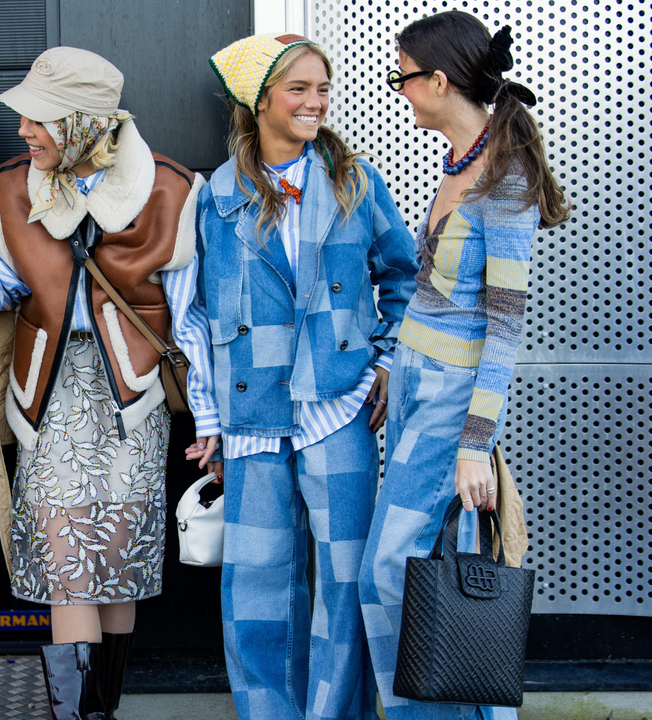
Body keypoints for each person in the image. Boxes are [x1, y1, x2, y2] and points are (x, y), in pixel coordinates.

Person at [0, 46, 205, 720]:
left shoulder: (172, 189)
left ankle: (102, 709)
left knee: (118, 565)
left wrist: (208, 419)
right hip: (51, 401)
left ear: (84, 122)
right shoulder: (5, 186)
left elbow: (192, 319)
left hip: (135, 402)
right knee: (67, 566)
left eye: (39, 120)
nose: (23, 132)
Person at [187, 33, 419, 720]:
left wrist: (382, 361)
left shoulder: (355, 180)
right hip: (252, 413)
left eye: (323, 87)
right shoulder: (216, 197)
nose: (316, 101)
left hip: (338, 406)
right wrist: (208, 420)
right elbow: (196, 319)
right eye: (299, 89)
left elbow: (406, 278)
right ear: (257, 101)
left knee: (346, 581)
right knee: (257, 584)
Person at [358, 12, 570, 719]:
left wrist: (475, 445)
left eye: (402, 77)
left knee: (391, 572)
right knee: (408, 569)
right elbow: (431, 293)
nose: (400, 92)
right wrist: (392, 365)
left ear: (438, 80)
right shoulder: (460, 162)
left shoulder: (503, 180)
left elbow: (505, 328)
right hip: (418, 386)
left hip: (451, 401)